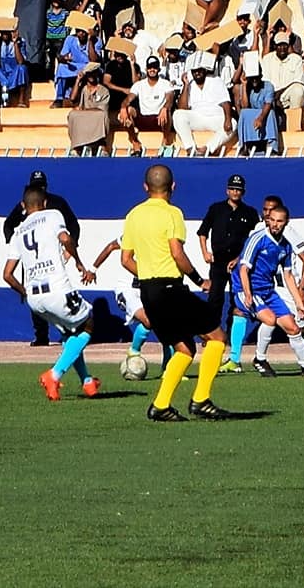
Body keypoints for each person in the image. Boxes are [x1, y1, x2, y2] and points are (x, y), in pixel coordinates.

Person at [121, 164, 232, 422]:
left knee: (184, 348)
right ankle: (201, 400)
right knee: (216, 337)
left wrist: (148, 275)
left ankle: (160, 406)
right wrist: (199, 280)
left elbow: (125, 260)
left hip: (148, 292)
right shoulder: (172, 213)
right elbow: (176, 253)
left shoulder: (133, 215)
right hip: (170, 288)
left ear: (145, 187)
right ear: (173, 186)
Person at [2, 184, 101, 401]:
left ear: (23, 206)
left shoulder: (19, 231)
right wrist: (78, 261)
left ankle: (87, 382)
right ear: (45, 203)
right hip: (57, 289)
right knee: (88, 324)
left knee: (70, 335)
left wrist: (25, 293)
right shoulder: (52, 215)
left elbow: (7, 274)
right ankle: (54, 375)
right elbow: (65, 239)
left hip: (35, 299)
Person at [230, 204, 304, 377]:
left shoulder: (285, 246)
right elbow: (243, 269)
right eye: (272, 220)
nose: (275, 225)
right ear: (268, 220)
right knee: (269, 319)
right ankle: (259, 359)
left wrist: (300, 305)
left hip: (268, 291)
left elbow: (288, 276)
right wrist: (248, 294)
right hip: (248, 289)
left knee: (293, 328)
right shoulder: (258, 238)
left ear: (286, 222)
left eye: (280, 221)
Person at [3, 170, 81, 347]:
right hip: (32, 259)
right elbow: (8, 225)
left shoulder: (57, 204)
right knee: (36, 290)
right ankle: (41, 335)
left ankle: (67, 330)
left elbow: (73, 226)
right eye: (36, 186)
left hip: (53, 253)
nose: (40, 189)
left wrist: (71, 250)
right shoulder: (26, 205)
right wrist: (16, 246)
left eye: (42, 186)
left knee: (58, 289)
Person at [91, 236, 173, 371]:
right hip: (127, 289)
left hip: (147, 288)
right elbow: (111, 246)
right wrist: (93, 269)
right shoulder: (134, 234)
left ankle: (168, 369)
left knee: (167, 325)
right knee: (148, 320)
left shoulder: (162, 241)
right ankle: (134, 351)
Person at [197, 173, 259, 329]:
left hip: (239, 262)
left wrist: (239, 258)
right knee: (215, 298)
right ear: (227, 191)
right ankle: (213, 332)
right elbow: (203, 232)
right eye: (232, 189)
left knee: (236, 299)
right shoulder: (216, 209)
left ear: (243, 192)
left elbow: (255, 240)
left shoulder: (250, 213)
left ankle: (232, 334)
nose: (235, 192)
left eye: (238, 189)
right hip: (218, 261)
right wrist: (205, 252)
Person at [172, 53, 235, 156]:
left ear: (205, 70)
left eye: (199, 70)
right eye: (194, 71)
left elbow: (226, 102)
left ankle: (207, 149)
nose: (197, 73)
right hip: (198, 117)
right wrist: (186, 85)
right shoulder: (190, 84)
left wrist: (227, 119)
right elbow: (182, 108)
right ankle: (190, 149)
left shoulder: (216, 80)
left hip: (215, 117)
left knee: (233, 123)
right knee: (177, 115)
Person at [120, 55, 175, 156]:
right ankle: (135, 143)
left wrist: (165, 108)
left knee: (166, 110)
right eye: (150, 67)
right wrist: (123, 107)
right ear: (146, 69)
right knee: (127, 111)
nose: (152, 70)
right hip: (143, 118)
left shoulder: (166, 84)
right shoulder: (139, 85)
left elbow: (170, 99)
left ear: (158, 69)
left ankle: (165, 142)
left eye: (154, 67)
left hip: (159, 120)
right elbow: (128, 99)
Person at [235, 60, 278, 155]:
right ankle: (245, 146)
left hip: (265, 113)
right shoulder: (247, 86)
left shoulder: (268, 86)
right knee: (244, 113)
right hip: (253, 114)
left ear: (261, 75)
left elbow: (268, 104)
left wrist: (260, 118)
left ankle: (271, 146)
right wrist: (244, 85)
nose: (254, 80)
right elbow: (245, 106)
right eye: (252, 77)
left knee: (270, 113)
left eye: (256, 77)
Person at [67, 62, 111, 156]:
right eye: (89, 73)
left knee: (101, 116)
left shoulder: (103, 90)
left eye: (93, 73)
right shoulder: (83, 89)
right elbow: (72, 99)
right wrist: (78, 80)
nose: (91, 76)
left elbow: (102, 109)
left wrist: (85, 111)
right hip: (84, 117)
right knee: (72, 114)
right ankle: (77, 147)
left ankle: (101, 146)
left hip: (96, 117)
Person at [260, 31, 304, 115]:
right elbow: (265, 82)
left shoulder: (296, 59)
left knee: (298, 90)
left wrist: (280, 92)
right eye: (279, 45)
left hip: (288, 94)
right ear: (275, 46)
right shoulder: (267, 59)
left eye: (285, 45)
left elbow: (298, 82)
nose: (282, 48)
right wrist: (273, 96)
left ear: (288, 46)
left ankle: (293, 120)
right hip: (272, 95)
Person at [53, 15, 95, 108]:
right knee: (61, 67)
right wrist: (64, 58)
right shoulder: (70, 39)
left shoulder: (96, 41)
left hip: (88, 66)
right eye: (79, 31)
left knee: (93, 68)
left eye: (83, 32)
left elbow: (94, 60)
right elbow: (62, 57)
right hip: (74, 66)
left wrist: (90, 40)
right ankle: (59, 98)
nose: (81, 34)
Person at [0, 18, 28, 107]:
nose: (5, 35)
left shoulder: (20, 41)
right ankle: (0, 98)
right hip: (2, 73)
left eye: (7, 32)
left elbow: (20, 61)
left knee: (22, 68)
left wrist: (15, 43)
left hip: (14, 71)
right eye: (3, 32)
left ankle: (21, 99)